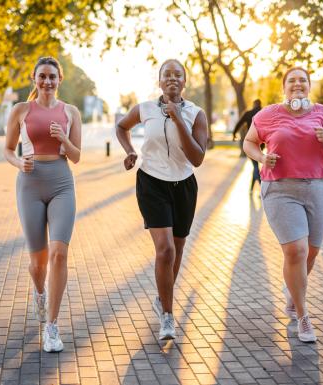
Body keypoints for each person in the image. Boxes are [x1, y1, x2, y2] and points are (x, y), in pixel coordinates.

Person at [243, 67, 323, 342]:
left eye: (303, 80)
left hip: (316, 188)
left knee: (312, 252)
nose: (298, 84)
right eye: (292, 80)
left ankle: (292, 290)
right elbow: (249, 142)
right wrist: (262, 158)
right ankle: (303, 317)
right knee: (296, 251)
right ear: (284, 87)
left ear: (309, 86)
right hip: (279, 189)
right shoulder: (267, 114)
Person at [116, 59, 208, 340]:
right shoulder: (144, 109)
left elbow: (197, 157)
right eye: (166, 75)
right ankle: (168, 315)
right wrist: (130, 150)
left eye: (177, 75)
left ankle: (161, 299)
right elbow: (121, 127)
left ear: (184, 82)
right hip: (152, 183)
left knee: (178, 249)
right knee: (165, 250)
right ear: (159, 82)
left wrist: (178, 118)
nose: (172, 79)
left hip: (184, 186)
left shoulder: (196, 113)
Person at [4, 57, 81, 352]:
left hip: (62, 183)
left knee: (59, 254)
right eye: (42, 76)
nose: (47, 81)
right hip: (30, 184)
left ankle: (52, 326)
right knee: (38, 261)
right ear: (34, 79)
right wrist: (18, 161)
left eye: (52, 77)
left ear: (60, 79)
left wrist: (64, 138)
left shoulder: (70, 112)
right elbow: (8, 149)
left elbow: (76, 156)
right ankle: (40, 292)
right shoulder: (21, 110)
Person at [233, 99, 262, 192]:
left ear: (254, 105)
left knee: (255, 166)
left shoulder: (248, 113)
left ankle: (262, 188)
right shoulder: (263, 113)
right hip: (261, 144)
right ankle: (251, 188)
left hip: (251, 144)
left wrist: (234, 134)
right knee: (256, 166)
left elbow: (239, 123)